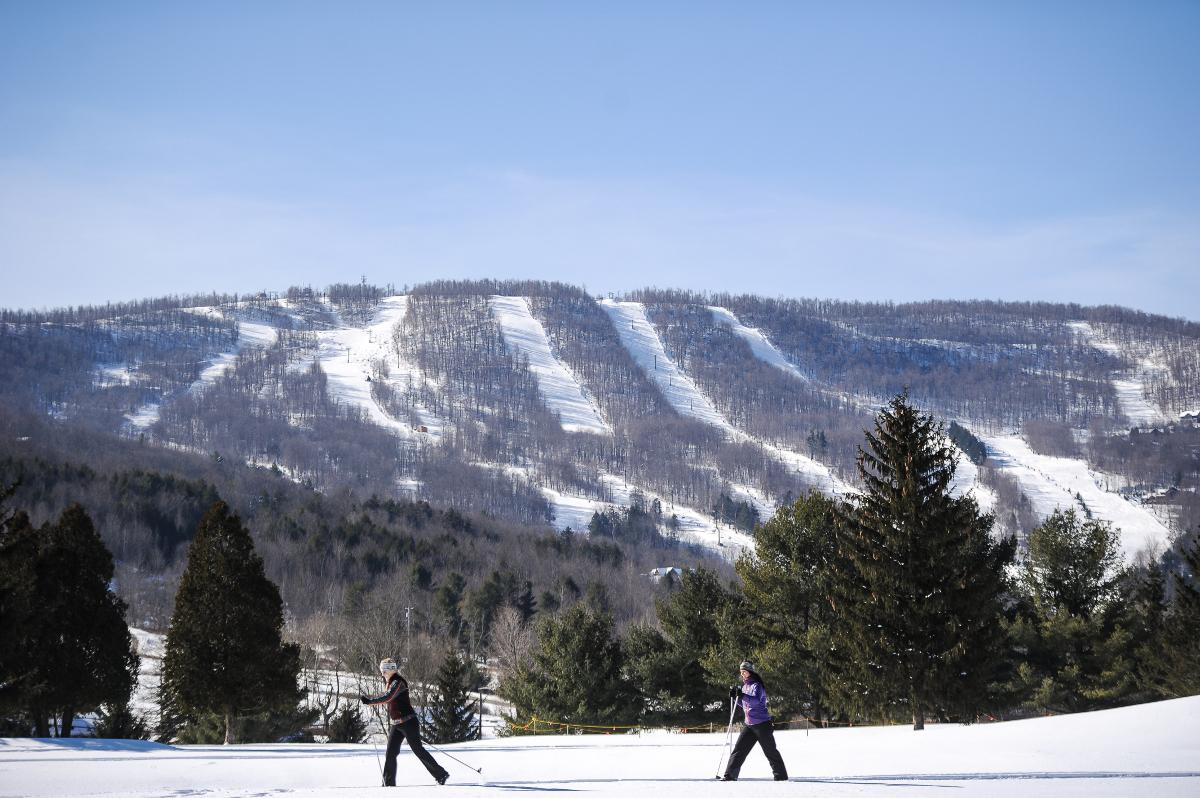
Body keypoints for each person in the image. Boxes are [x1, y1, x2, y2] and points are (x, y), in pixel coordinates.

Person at [361, 658, 450, 786]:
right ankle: (388, 784)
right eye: (382, 671)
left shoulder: (398, 682)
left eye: (384, 671)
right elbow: (387, 696)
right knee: (390, 753)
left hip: (408, 722)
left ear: (391, 670)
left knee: (418, 750)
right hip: (397, 724)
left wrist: (370, 701)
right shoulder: (391, 682)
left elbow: (388, 697)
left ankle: (441, 774)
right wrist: (371, 700)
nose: (382, 674)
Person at [720, 660, 788, 781]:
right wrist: (736, 698)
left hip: (762, 725)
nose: (742, 674)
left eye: (744, 672)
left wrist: (742, 695)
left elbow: (756, 701)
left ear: (750, 672)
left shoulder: (757, 686)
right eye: (741, 672)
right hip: (750, 725)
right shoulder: (745, 686)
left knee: (770, 752)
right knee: (739, 750)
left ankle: (781, 776)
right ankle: (730, 775)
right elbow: (746, 704)